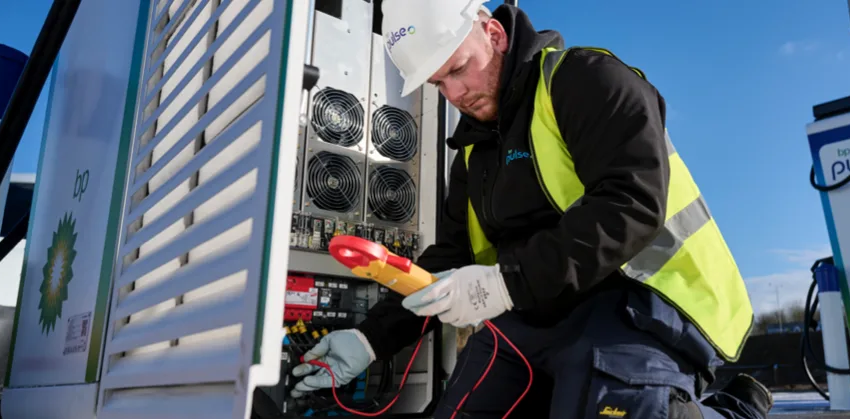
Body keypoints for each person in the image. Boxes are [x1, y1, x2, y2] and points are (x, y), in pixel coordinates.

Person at [289, 1, 772, 418]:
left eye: (458, 69)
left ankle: (731, 410)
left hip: (644, 300)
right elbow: (445, 263)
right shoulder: (475, 155)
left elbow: (633, 202)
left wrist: (503, 283)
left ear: (494, 34)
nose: (454, 94)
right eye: (438, 84)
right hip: (538, 308)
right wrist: (371, 338)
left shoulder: (584, 80)